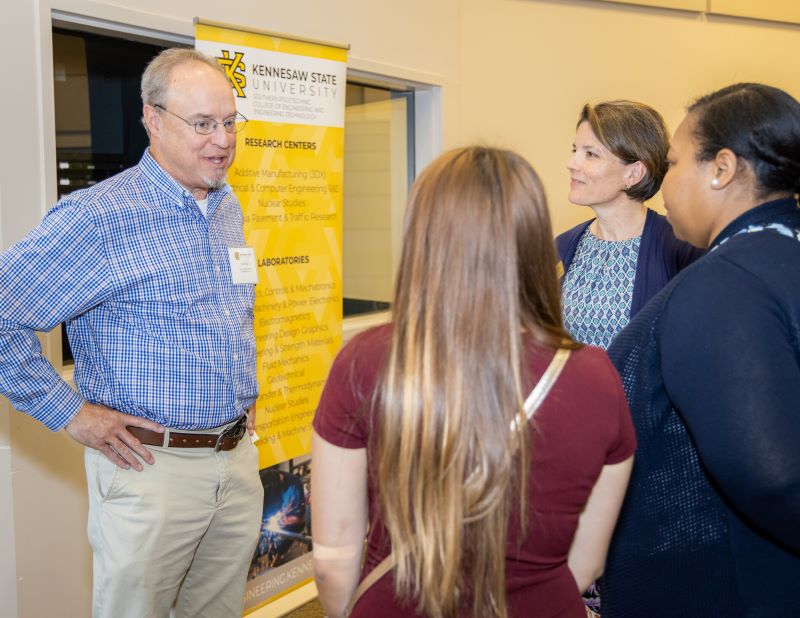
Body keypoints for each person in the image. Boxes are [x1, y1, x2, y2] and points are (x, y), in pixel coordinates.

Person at [311, 146, 636, 617]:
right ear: (530, 240)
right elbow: (586, 562)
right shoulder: (594, 377)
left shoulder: (365, 362)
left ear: (423, 237)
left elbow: (333, 562)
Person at [0, 48, 262, 617]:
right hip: (149, 473)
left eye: (229, 122)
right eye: (202, 124)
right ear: (153, 120)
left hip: (235, 463)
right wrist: (69, 413)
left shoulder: (226, 205)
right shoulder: (99, 217)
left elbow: (228, 318)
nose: (222, 140)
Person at [603, 83, 800, 617]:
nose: (662, 183)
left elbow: (773, 478)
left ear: (722, 169)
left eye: (671, 163)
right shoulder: (778, 254)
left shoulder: (723, 285)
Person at [558, 100, 702, 350]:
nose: (572, 164)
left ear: (634, 174)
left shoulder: (679, 248)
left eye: (590, 154)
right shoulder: (563, 246)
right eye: (575, 150)